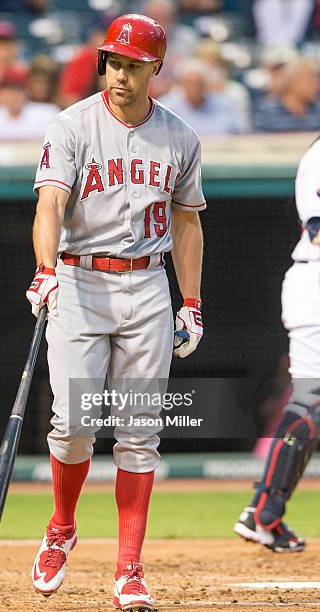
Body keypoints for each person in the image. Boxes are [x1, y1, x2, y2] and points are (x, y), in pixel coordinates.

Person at [26, 13, 206, 610]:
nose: (120, 74)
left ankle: (129, 569)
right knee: (74, 426)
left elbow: (187, 221)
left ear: (155, 68)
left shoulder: (180, 136)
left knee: (138, 434)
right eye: (113, 62)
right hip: (79, 281)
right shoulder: (71, 125)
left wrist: (192, 303)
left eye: (133, 64)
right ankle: (61, 527)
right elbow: (50, 203)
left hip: (149, 288)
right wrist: (45, 268)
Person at [234, 137, 320, 552]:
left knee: (313, 404)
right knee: (311, 402)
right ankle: (264, 509)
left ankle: (263, 512)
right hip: (316, 281)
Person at [160, 59, 244, 135]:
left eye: (199, 82)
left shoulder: (224, 104)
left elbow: (239, 133)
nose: (195, 87)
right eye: (190, 83)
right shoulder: (167, 107)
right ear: (181, 84)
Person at [0, 67, 59, 139]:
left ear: (26, 92)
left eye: (17, 91)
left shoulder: (48, 115)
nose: (13, 96)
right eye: (8, 91)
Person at [253, 58, 320, 133]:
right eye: (310, 79)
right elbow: (259, 141)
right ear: (293, 81)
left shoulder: (317, 110)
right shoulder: (267, 111)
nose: (316, 85)